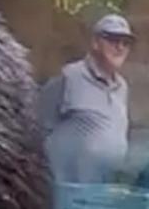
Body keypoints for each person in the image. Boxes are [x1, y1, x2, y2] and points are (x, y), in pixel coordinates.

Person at [36, 13, 134, 185]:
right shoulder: (68, 76)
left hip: (103, 192)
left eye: (126, 42)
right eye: (112, 39)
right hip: (66, 191)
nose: (120, 47)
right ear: (95, 43)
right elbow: (36, 128)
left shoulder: (122, 87)